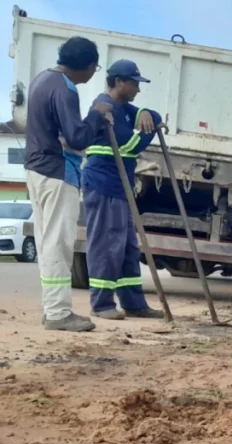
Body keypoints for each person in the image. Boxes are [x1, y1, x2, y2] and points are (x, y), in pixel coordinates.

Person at [24, 36, 112, 332]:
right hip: (58, 171)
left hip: (37, 171)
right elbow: (77, 137)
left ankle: (53, 309)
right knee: (58, 244)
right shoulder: (66, 89)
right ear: (87, 66)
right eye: (95, 67)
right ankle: (58, 313)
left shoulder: (41, 80)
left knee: (47, 242)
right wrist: (96, 115)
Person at [81, 60, 164, 320]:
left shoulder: (124, 108)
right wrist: (150, 131)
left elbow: (145, 115)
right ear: (119, 82)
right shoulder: (104, 107)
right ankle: (102, 303)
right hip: (104, 185)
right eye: (134, 83)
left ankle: (133, 303)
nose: (138, 89)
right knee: (107, 245)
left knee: (127, 246)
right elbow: (129, 145)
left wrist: (148, 114)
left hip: (121, 187)